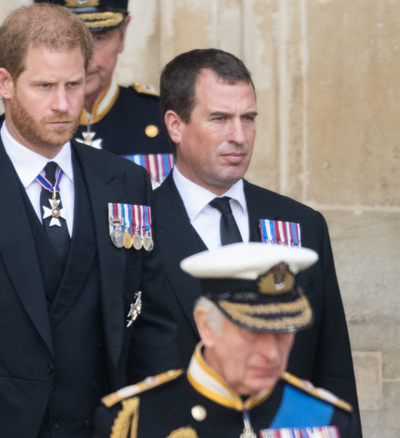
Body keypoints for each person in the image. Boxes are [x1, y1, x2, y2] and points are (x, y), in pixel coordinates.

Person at [0, 4, 174, 437]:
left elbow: (155, 322)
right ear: (5, 83)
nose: (64, 104)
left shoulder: (125, 182)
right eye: (45, 86)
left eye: (74, 84)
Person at [149, 48, 361, 431]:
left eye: (248, 118)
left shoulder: (302, 224)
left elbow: (333, 370)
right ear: (175, 125)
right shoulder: (139, 228)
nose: (239, 136)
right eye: (220, 119)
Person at [95, 243, 359, 437]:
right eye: (253, 334)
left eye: (282, 334)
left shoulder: (324, 419)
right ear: (206, 325)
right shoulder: (133, 420)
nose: (271, 353)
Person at [0, 0, 173, 185]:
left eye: (98, 38)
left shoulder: (164, 120)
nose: (85, 59)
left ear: (123, 34)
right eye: (61, 42)